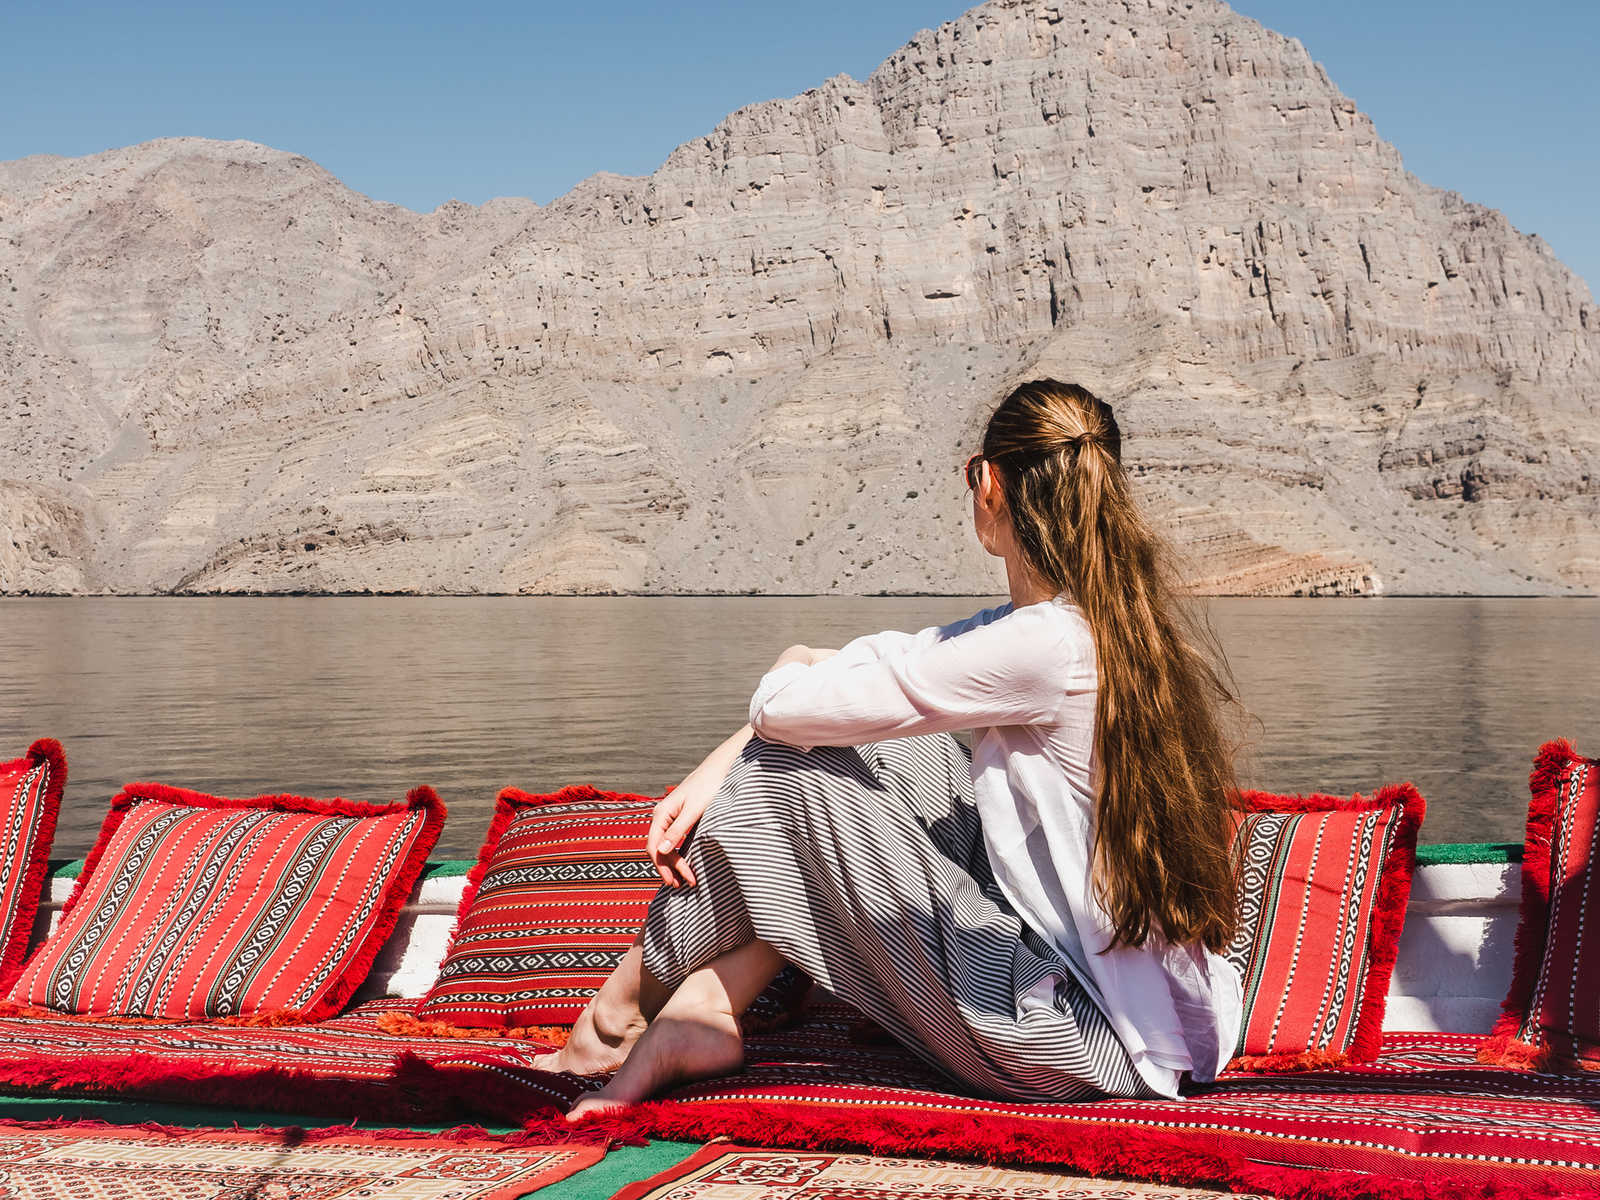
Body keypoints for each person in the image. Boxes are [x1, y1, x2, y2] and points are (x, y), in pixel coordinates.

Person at [539, 378, 1246, 1120]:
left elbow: (785, 709)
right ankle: (704, 1010)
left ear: (992, 486)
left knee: (786, 773)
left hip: (1074, 1039)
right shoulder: (1086, 624)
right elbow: (880, 661)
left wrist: (756, 716)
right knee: (901, 755)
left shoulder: (1041, 646)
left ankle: (615, 1022)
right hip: (1156, 1017)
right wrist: (757, 716)